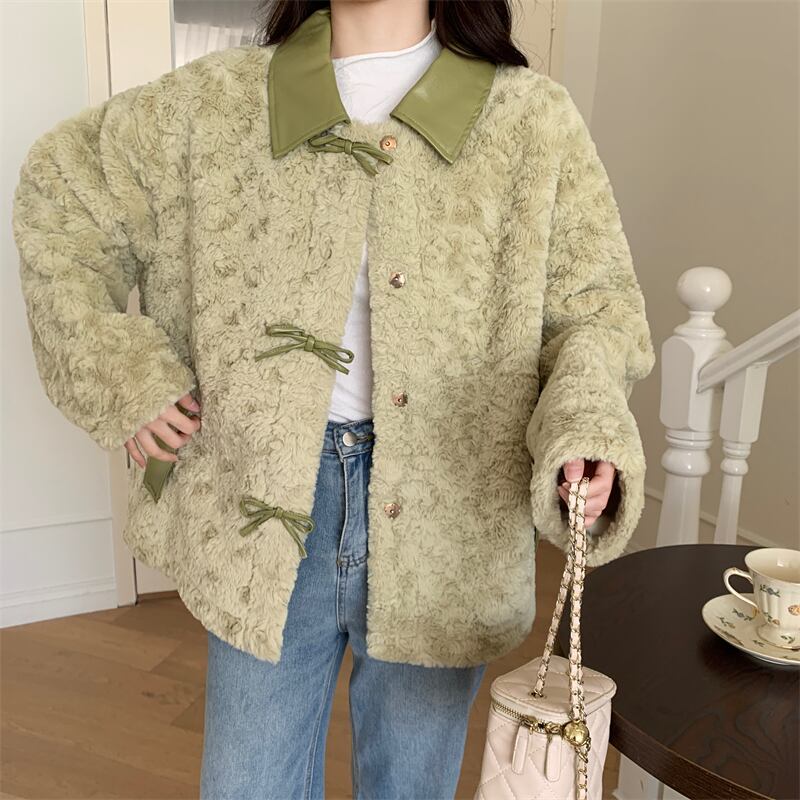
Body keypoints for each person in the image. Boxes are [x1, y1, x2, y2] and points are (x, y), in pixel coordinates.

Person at [11, 0, 656, 797]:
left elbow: (595, 311)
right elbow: (60, 196)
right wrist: (123, 371)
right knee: (248, 785)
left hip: (450, 514)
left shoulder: (530, 120)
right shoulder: (212, 104)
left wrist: (584, 423)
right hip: (264, 504)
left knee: (409, 785)